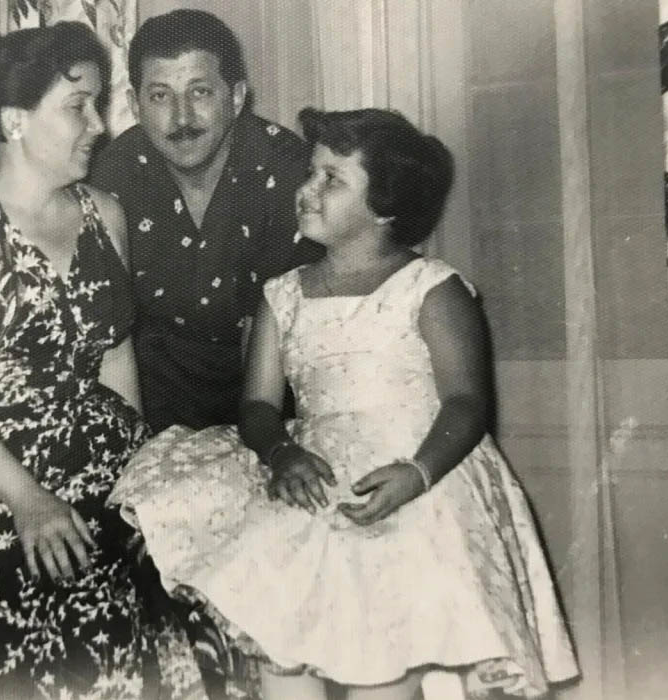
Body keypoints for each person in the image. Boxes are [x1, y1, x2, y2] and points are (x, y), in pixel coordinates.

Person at [109, 108, 580, 700]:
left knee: (387, 652)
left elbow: (465, 403)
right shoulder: (283, 295)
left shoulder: (431, 288)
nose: (306, 189)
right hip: (317, 480)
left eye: (332, 179)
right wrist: (280, 452)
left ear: (384, 207)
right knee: (287, 638)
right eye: (311, 173)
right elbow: (256, 404)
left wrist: (418, 473)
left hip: (417, 483)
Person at [0, 22, 206, 699]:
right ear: (14, 121)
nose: (99, 124)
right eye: (77, 106)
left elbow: (114, 353)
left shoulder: (104, 214)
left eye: (97, 103)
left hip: (100, 468)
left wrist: (138, 477)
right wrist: (28, 500)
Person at [90, 9, 322, 436]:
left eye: (199, 92)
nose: (181, 118)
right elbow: (107, 340)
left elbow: (283, 328)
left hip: (274, 402)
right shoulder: (110, 180)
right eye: (160, 96)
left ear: (235, 98)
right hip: (152, 403)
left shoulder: (289, 173)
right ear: (133, 105)